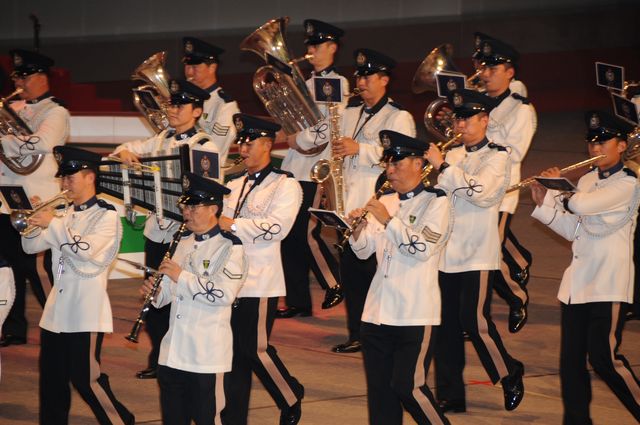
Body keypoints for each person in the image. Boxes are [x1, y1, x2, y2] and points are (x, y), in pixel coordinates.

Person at [531, 111, 640, 424]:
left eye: (603, 141)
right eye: (592, 142)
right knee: (571, 363)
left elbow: (581, 205)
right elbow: (574, 230)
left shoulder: (629, 183)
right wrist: (545, 203)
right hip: (577, 284)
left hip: (607, 283)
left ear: (622, 145)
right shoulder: (588, 181)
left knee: (604, 359)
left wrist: (559, 189)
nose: (595, 148)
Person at [425, 88, 524, 414]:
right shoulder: (452, 155)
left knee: (475, 320)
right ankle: (451, 394)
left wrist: (443, 167)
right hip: (445, 254)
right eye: (458, 119)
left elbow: (479, 192)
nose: (461, 125)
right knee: (445, 326)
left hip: (476, 254)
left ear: (485, 120)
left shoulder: (498, 156)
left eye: (468, 119)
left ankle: (509, 371)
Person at [113, 78, 218, 380]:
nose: (172, 109)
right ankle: (159, 358)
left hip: (184, 235)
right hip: (156, 233)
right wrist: (125, 153)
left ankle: (178, 359)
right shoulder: (161, 138)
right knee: (154, 296)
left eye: (180, 105)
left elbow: (210, 192)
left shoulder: (204, 146)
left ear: (196, 111)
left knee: (180, 298)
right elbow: (127, 148)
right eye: (171, 104)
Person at [22, 146, 134, 425]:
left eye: (70, 178)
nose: (64, 184)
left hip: (85, 311)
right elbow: (30, 247)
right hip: (56, 311)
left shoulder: (107, 216)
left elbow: (85, 251)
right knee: (52, 382)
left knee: (86, 379)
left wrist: (52, 223)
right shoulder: (63, 214)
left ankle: (122, 421)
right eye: (62, 178)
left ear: (90, 177)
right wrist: (33, 223)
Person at [349, 130, 451, 425]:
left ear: (418, 164)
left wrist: (387, 220)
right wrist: (356, 229)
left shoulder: (437, 202)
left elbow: (422, 248)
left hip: (414, 313)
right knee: (380, 396)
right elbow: (364, 251)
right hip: (377, 313)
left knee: (409, 388)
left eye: (397, 163)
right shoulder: (386, 201)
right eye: (388, 164)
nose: (389, 170)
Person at [140, 172, 247, 425]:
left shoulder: (230, 247)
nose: (186, 212)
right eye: (185, 207)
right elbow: (168, 294)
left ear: (213, 209)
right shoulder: (181, 242)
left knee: (206, 419)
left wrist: (181, 276)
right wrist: (155, 293)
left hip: (205, 356)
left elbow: (224, 294)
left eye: (193, 207)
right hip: (173, 353)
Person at [219, 113, 305, 425]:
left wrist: (231, 224)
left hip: (260, 281)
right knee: (232, 355)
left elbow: (277, 228)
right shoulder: (232, 184)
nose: (242, 148)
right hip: (229, 281)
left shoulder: (285, 184)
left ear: (267, 145)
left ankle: (290, 395)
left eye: (249, 142)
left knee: (255, 349)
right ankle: (233, 418)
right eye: (240, 142)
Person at [331, 48, 416, 353]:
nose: (361, 82)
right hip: (348, 203)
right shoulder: (350, 111)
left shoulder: (398, 116)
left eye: (368, 76)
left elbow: (405, 159)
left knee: (374, 273)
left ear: (384, 80)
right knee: (351, 274)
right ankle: (357, 333)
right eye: (359, 76)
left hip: (377, 205)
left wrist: (361, 150)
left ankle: (378, 332)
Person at [276, 19, 347, 319]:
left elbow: (329, 127)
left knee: (306, 233)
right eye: (309, 46)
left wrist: (296, 139)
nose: (311, 51)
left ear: (332, 47)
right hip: (296, 167)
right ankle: (298, 301)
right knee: (289, 236)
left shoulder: (336, 83)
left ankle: (334, 283)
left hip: (315, 169)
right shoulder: (305, 83)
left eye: (317, 46)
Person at [0, 50, 69, 347]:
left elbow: (43, 143)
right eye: (16, 78)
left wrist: (4, 142)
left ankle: (58, 325)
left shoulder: (56, 112)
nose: (18, 83)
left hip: (38, 199)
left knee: (37, 269)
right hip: (7, 199)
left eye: (24, 78)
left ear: (42, 77)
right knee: (9, 269)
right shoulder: (12, 108)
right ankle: (14, 328)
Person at [475, 35, 537, 333]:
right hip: (471, 188)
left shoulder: (521, 110)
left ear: (510, 72)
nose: (485, 74)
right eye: (483, 68)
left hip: (501, 193)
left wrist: (478, 140)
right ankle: (520, 260)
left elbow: (514, 153)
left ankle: (516, 298)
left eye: (493, 69)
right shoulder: (476, 104)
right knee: (477, 252)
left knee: (487, 254)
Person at [182, 36, 240, 166]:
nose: (189, 72)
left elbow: (216, 148)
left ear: (212, 67)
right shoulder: (182, 99)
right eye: (187, 66)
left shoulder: (225, 105)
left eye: (195, 67)